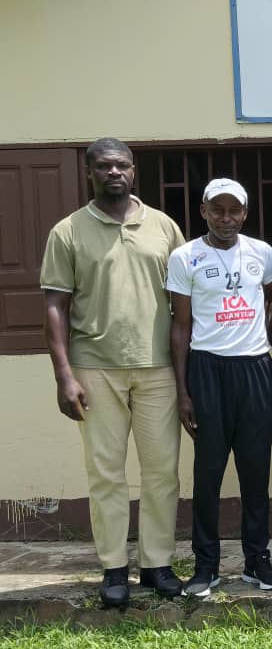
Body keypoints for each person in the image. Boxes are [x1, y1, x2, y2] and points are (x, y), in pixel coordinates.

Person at [41, 138, 185, 606]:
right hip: (94, 368)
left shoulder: (162, 226)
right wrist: (64, 374)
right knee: (106, 472)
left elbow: (185, 300)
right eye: (104, 166)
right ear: (90, 173)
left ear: (133, 170)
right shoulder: (68, 231)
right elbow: (55, 306)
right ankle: (114, 568)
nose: (114, 173)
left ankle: (157, 564)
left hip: (158, 366)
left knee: (162, 470)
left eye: (122, 165)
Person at [167, 178, 272, 596]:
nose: (226, 218)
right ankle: (206, 566)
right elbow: (180, 327)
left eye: (234, 210)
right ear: (203, 212)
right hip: (207, 371)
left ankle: (257, 561)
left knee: (255, 471)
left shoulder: (262, 253)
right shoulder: (185, 257)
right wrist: (183, 391)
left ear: (245, 213)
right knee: (208, 472)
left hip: (255, 370)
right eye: (217, 209)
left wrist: (255, 334)